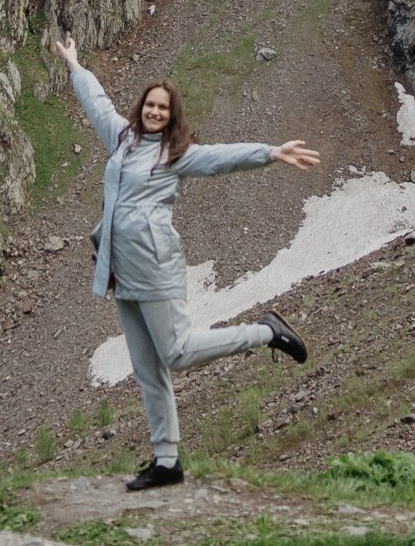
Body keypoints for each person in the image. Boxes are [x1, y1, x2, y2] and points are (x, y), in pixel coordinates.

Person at [53, 34, 318, 491]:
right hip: (120, 272)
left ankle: (266, 332)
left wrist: (270, 153)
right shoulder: (122, 138)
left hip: (156, 268)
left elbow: (220, 158)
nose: (155, 112)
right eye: (150, 105)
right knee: (147, 367)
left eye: (163, 108)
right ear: (141, 108)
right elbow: (97, 103)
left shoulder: (175, 156)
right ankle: (166, 461)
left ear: (172, 116)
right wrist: (75, 66)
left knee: (176, 353)